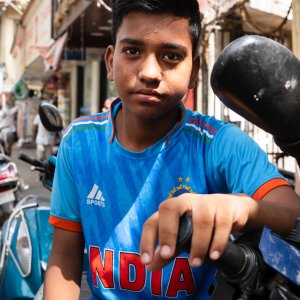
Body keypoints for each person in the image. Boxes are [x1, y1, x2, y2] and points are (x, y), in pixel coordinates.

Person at [44, 0, 300, 299]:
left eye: (171, 56)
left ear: (195, 72)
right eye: (133, 51)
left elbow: (292, 214)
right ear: (111, 62)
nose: (150, 72)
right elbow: (64, 256)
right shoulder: (79, 142)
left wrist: (240, 207)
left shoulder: (218, 144)